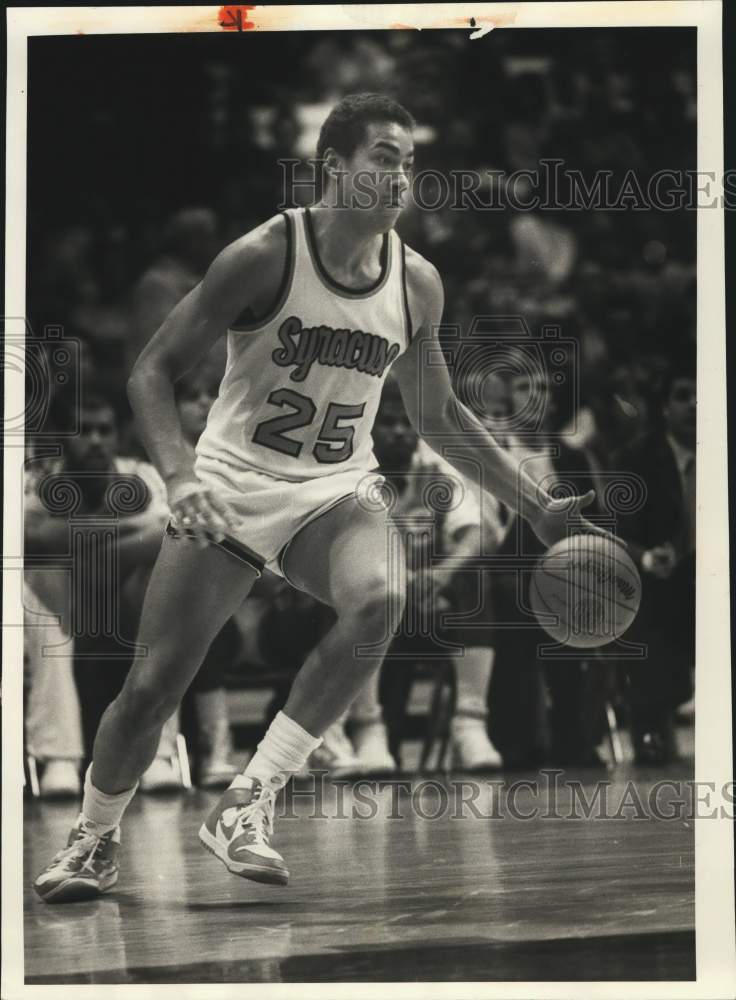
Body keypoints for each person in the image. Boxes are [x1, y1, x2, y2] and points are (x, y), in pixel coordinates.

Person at [34, 93, 604, 903]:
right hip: (231, 483)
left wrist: (538, 504)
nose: (401, 175)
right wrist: (183, 477)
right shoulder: (266, 253)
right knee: (151, 689)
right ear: (333, 167)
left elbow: (437, 415)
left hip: (335, 487)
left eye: (409, 161)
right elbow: (151, 373)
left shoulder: (416, 282)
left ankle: (249, 800)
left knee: (381, 597)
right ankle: (94, 836)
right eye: (384, 157)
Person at [24, 392, 181, 793]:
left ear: (117, 437)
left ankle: (156, 754)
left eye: (104, 431)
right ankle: (60, 757)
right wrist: (127, 533)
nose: (94, 440)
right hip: (64, 605)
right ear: (65, 437)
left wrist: (81, 545)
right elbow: (31, 537)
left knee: (164, 590)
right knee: (41, 576)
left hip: (126, 598)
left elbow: (172, 532)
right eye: (84, 431)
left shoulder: (141, 474)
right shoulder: (40, 475)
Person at [610, 359, 696, 764]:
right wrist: (645, 557)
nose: (696, 404)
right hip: (664, 576)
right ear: (664, 407)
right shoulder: (636, 458)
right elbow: (615, 531)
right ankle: (652, 726)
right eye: (683, 396)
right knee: (638, 593)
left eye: (704, 395)